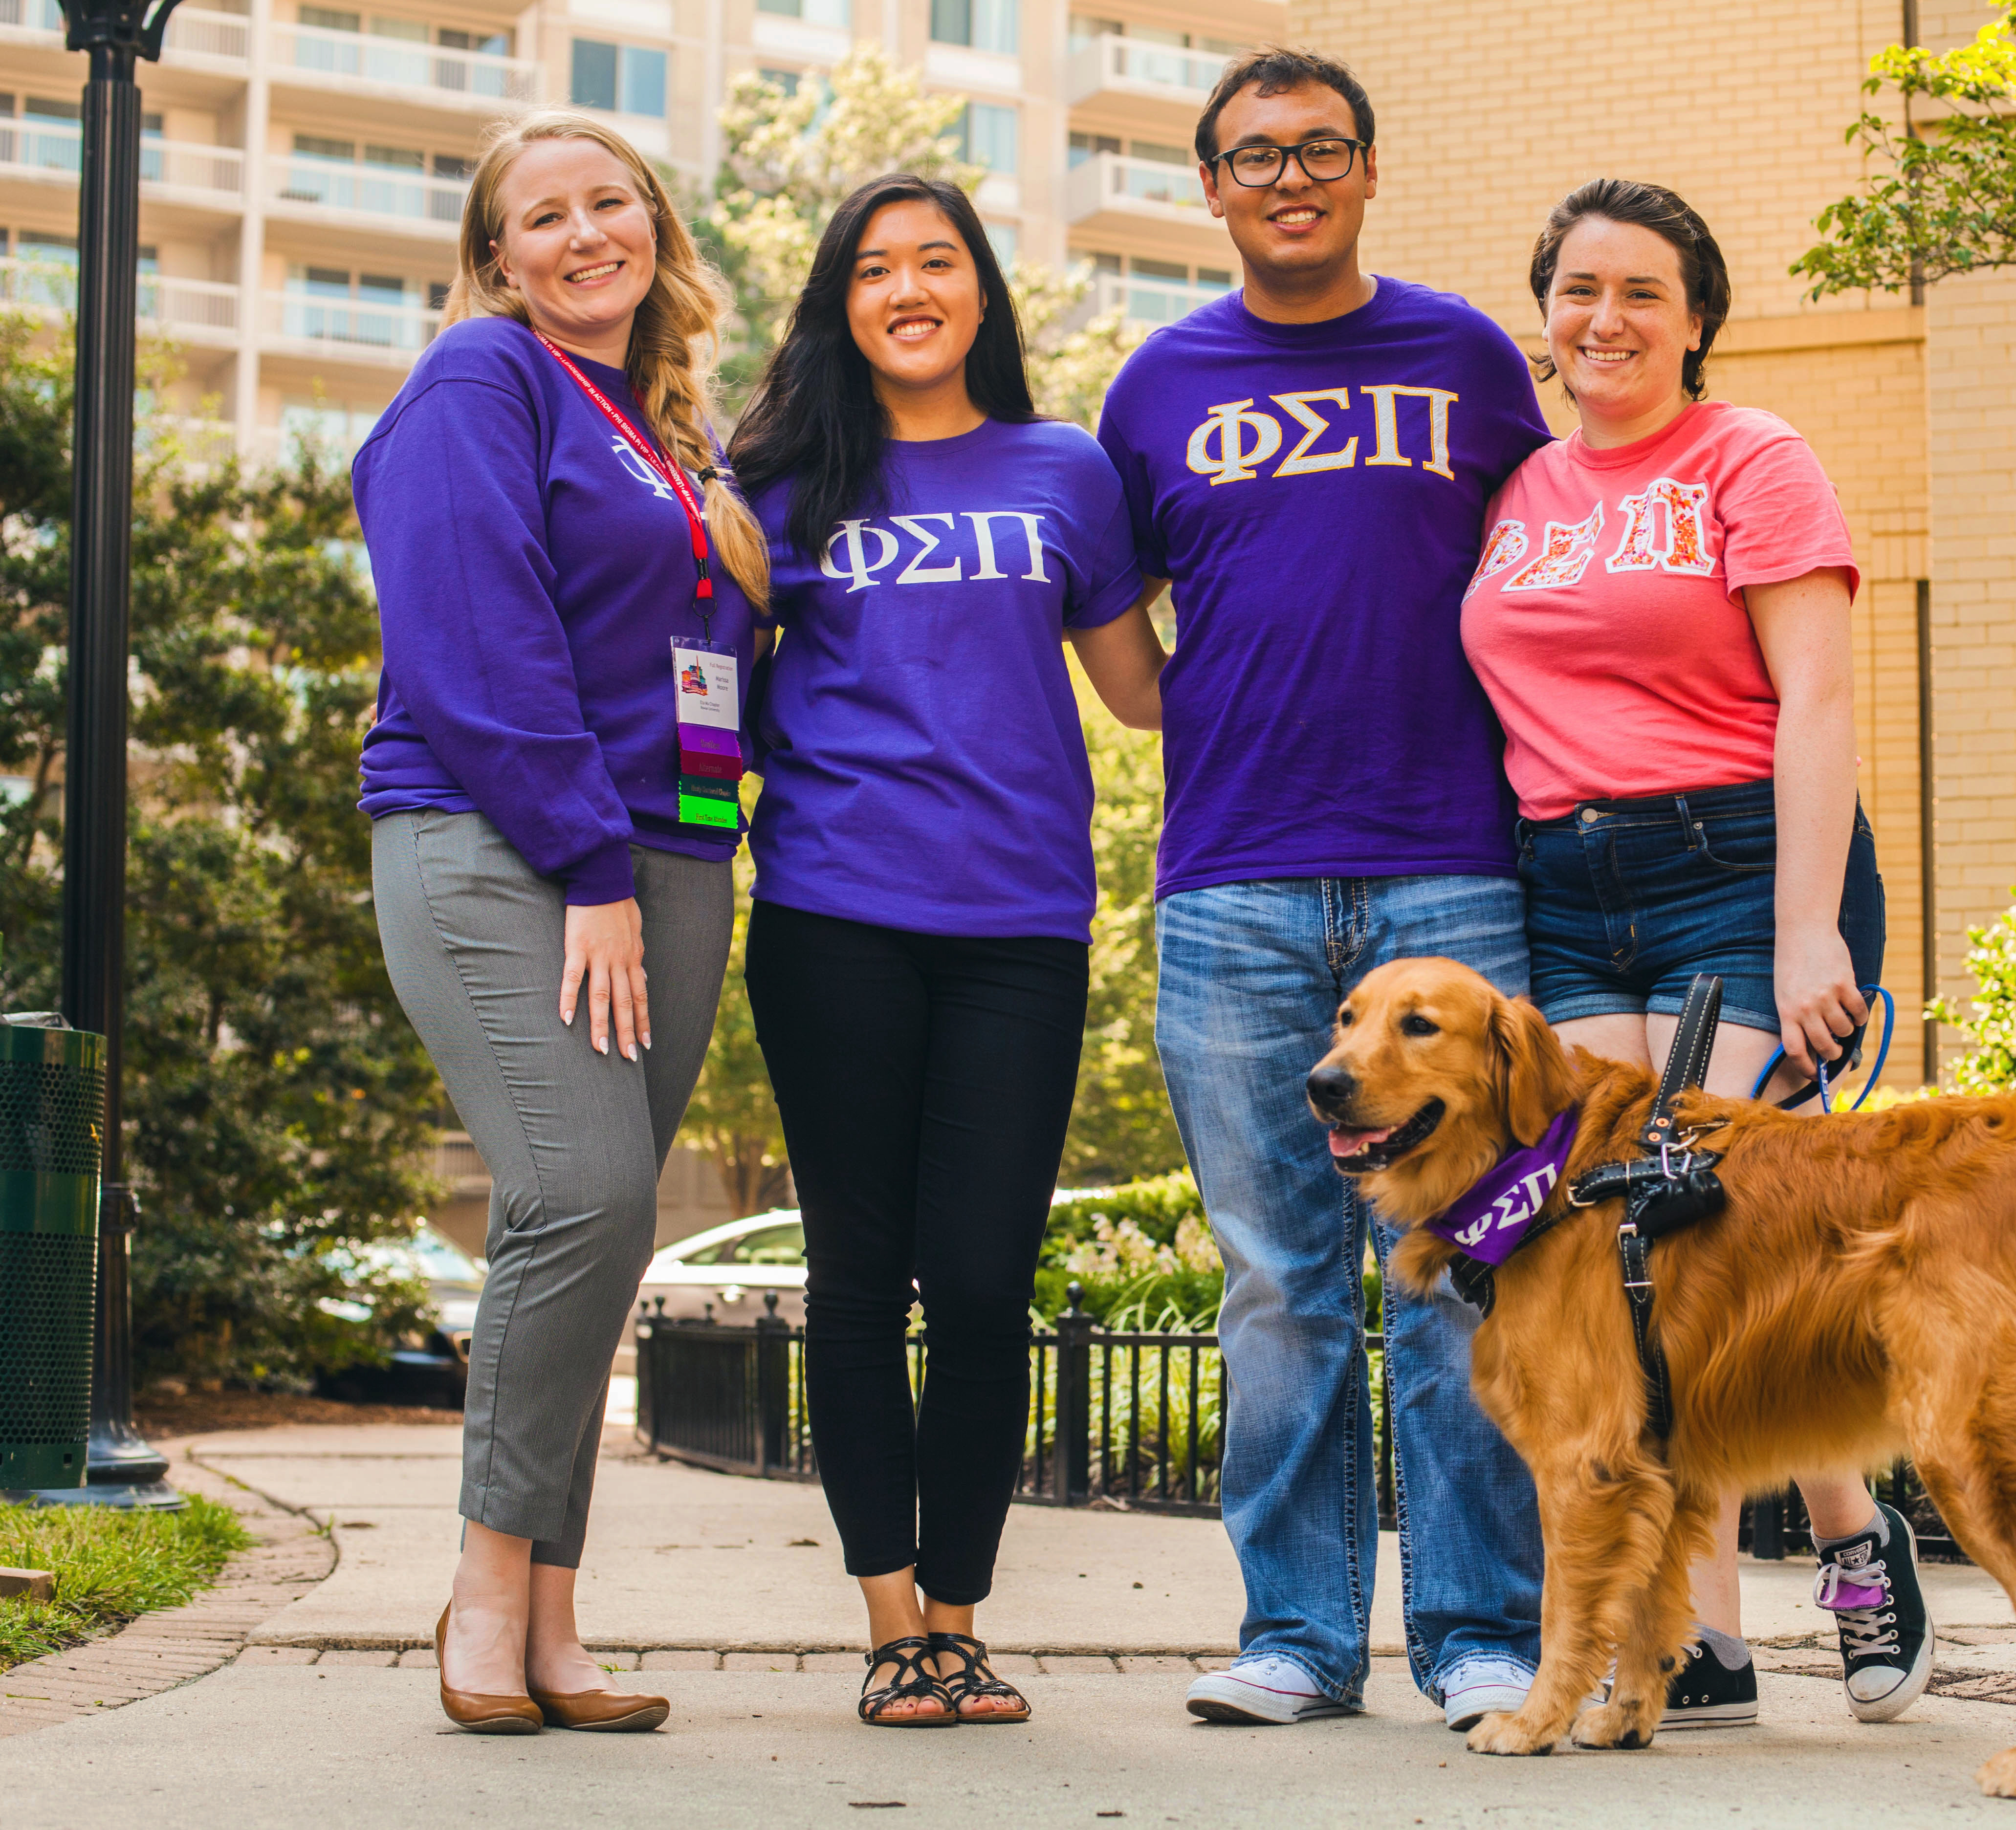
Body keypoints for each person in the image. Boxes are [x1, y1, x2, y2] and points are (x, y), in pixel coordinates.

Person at [1094, 47, 1553, 1730]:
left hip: (1455, 877)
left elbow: (1543, 582)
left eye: (1319, 150)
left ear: (1368, 171)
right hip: (1234, 885)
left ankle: (1478, 1635)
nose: (1287, 177)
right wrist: (1200, 711)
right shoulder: (1152, 387)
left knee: (1467, 1266)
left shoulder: (1467, 358)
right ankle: (1294, 1639)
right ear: (1208, 188)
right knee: (1278, 1282)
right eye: (1252, 156)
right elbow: (1114, 629)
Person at [1458, 177, 1936, 1731]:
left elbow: (1818, 701)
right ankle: (1744, 1604)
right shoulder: (1518, 492)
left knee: (1699, 1234)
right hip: (1567, 877)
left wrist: (1809, 928)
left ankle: (1804, 1568)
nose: (1606, 319)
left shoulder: (1753, 458)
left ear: (1698, 319)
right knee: (1616, 1269)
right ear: (1545, 313)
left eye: (1641, 292)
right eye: (1579, 289)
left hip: (1736, 865)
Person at [727, 174, 1164, 1728]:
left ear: (981, 288)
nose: (906, 287)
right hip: (832, 914)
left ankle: (961, 1621)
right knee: (859, 1279)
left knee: (983, 1284)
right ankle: (888, 1622)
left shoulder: (1065, 470)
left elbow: (1142, 694)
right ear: (838, 304)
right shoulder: (778, 475)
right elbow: (706, 681)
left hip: (1020, 927)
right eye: (871, 268)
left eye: (936, 260)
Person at [357, 109, 772, 1734]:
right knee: (577, 1190)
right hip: (509, 842)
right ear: (495, 258)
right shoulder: (485, 381)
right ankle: (477, 1592)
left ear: (659, 232)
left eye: (614, 204)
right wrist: (588, 866)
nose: (585, 234)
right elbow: (475, 636)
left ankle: (552, 1619)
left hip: (676, 857)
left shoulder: (678, 436)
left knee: (607, 1235)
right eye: (545, 217)